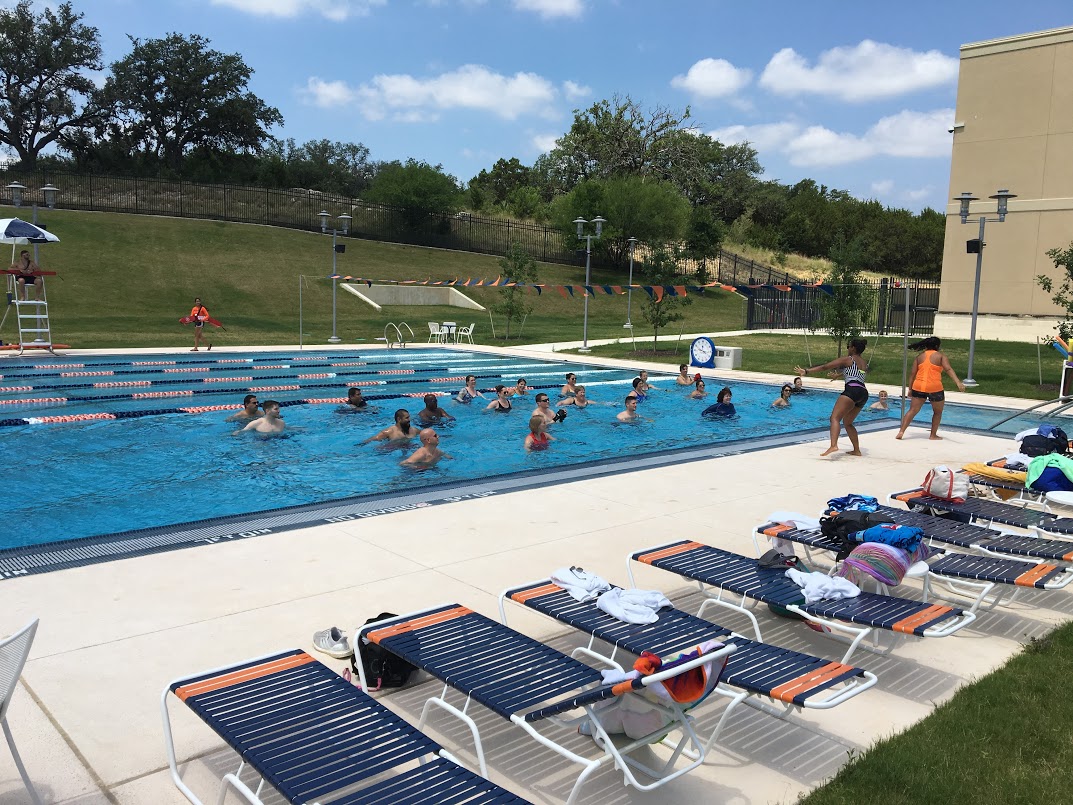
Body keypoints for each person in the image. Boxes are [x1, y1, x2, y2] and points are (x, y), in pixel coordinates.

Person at [795, 337, 869, 456]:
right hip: (863, 393)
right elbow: (857, 374)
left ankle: (833, 445)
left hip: (852, 390)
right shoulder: (864, 363)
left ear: (853, 348)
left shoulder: (848, 359)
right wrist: (839, 375)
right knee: (848, 422)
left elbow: (825, 366)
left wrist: (807, 371)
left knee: (834, 418)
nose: (847, 349)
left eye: (848, 346)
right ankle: (856, 450)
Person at [896, 336, 966, 440]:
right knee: (937, 412)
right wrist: (958, 383)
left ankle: (901, 431)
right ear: (937, 346)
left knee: (912, 410)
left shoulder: (919, 357)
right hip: (934, 387)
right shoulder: (941, 356)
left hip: (918, 386)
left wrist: (910, 389)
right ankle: (933, 435)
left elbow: (912, 374)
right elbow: (948, 369)